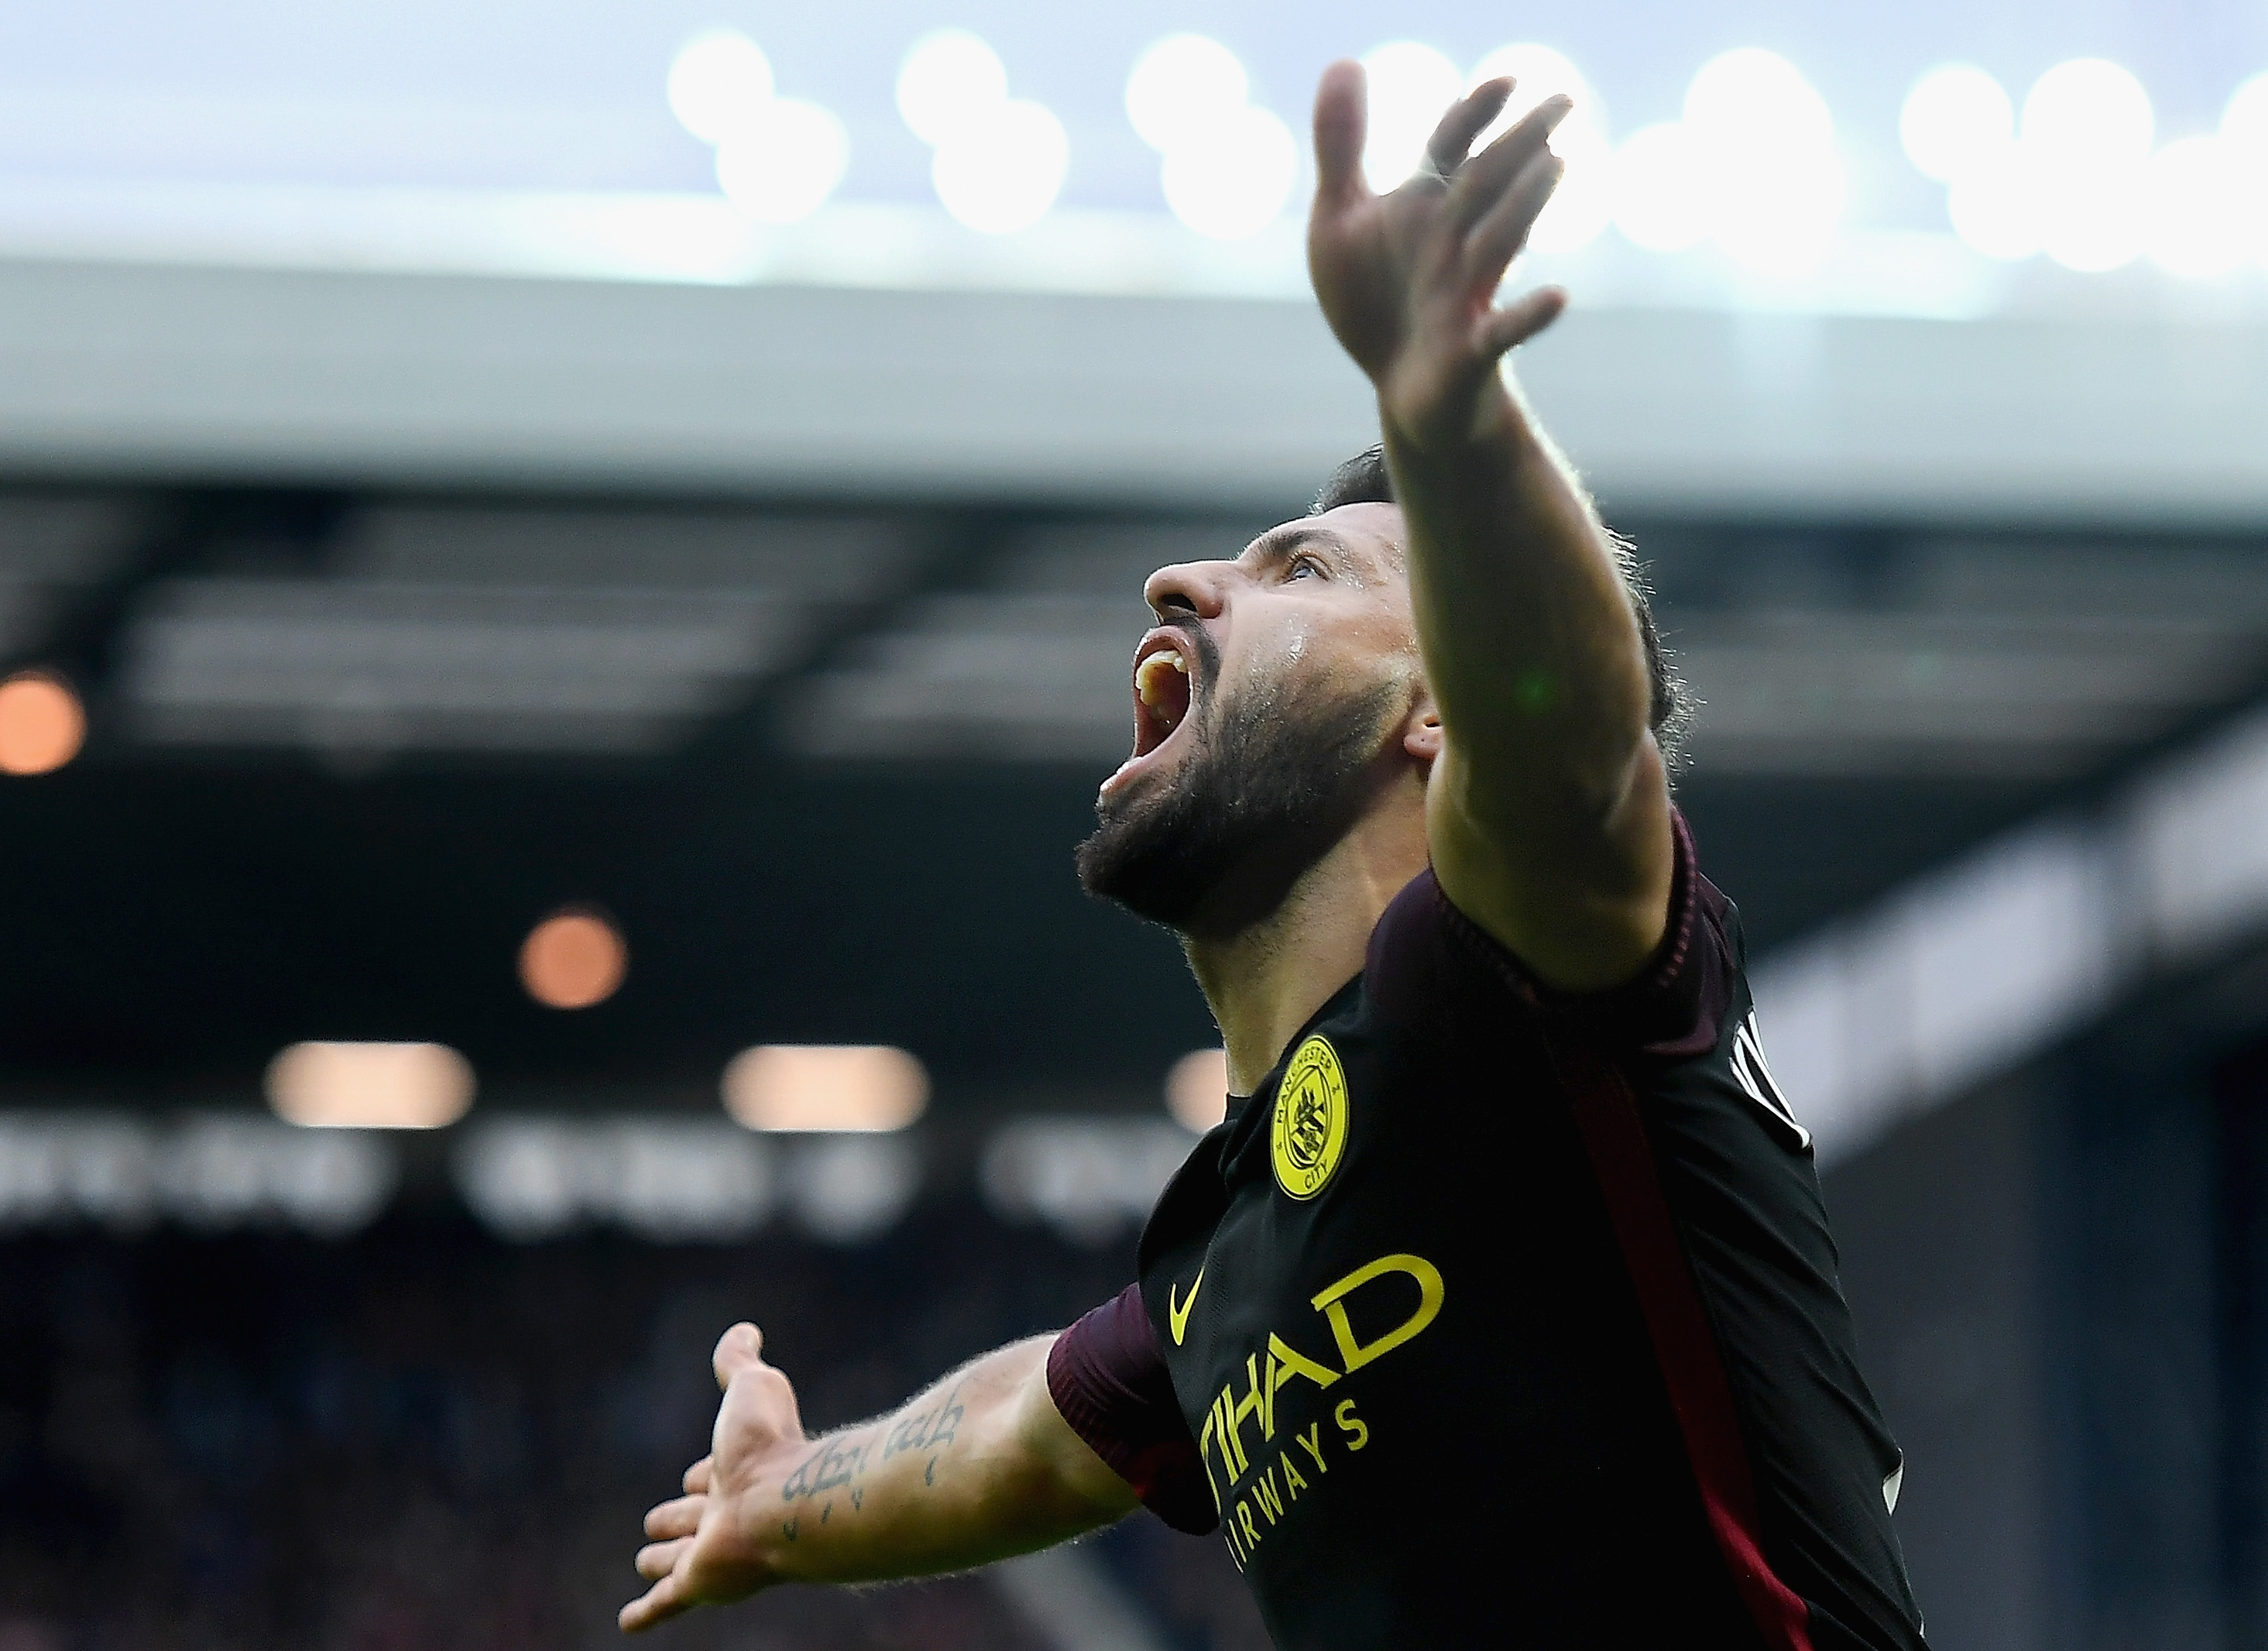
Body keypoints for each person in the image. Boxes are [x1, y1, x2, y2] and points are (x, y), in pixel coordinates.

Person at [619, 60, 1927, 1651]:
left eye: (1295, 570)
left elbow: (1571, 750)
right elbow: (1012, 1436)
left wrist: (1444, 416)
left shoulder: (1516, 988)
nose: (1176, 585)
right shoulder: (1227, 1253)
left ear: (1439, 707)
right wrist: (786, 1498)